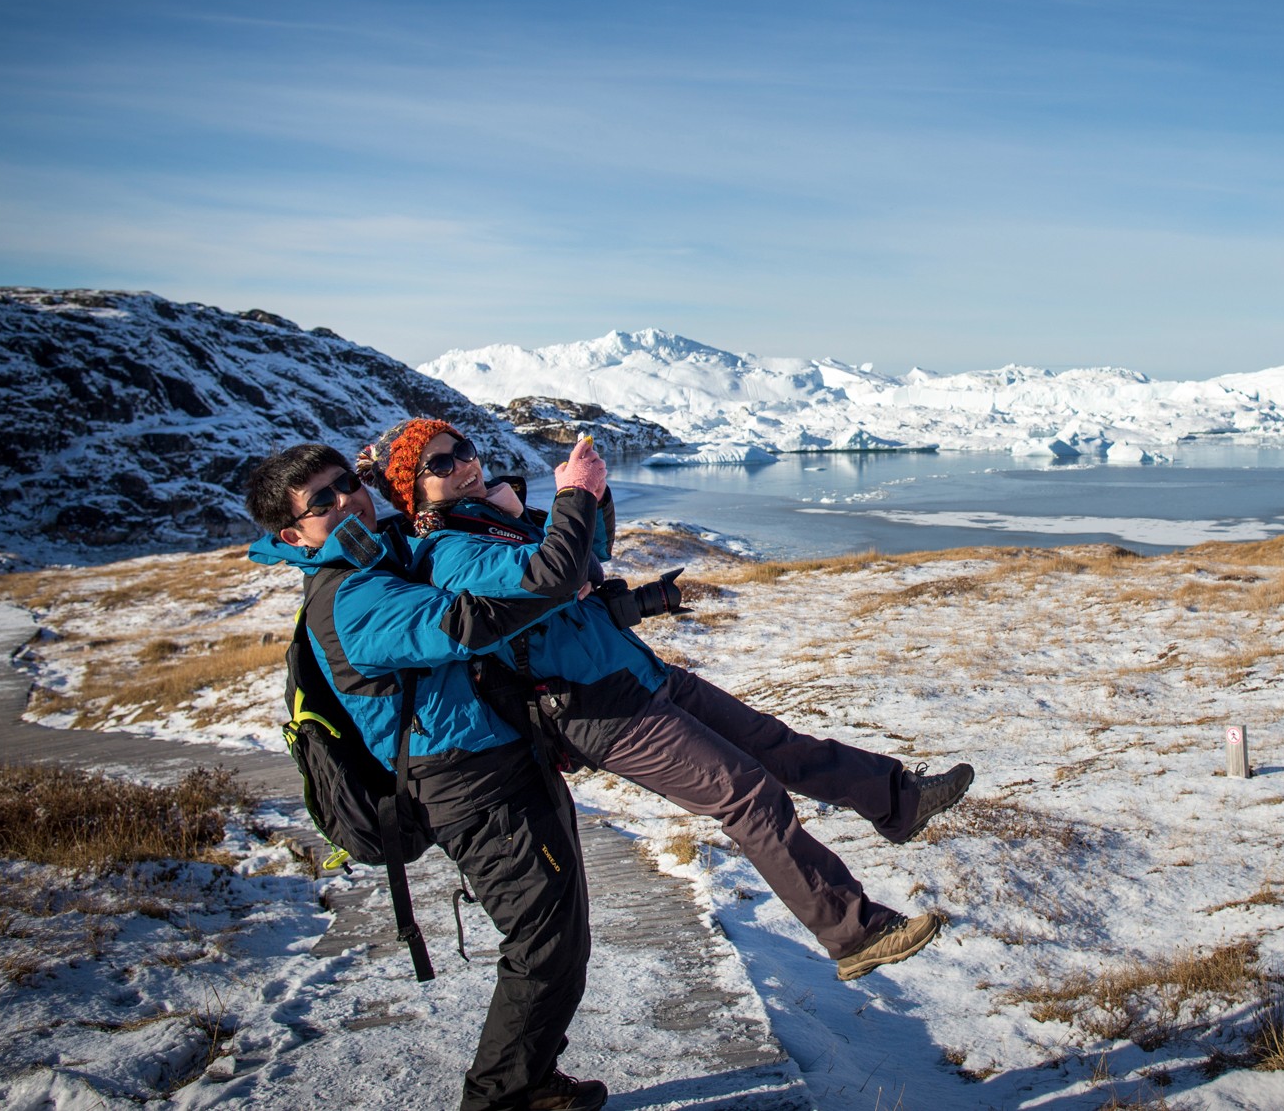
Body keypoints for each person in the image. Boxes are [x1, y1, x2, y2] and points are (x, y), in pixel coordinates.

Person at [359, 418, 975, 981]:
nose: (463, 465)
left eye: (462, 451)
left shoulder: (490, 523)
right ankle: (854, 932)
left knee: (776, 745)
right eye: (439, 465)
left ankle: (899, 800)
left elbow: (590, 556)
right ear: (412, 492)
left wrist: (593, 496)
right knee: (747, 792)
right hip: (597, 710)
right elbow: (558, 573)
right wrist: (570, 496)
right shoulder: (451, 553)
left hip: (638, 676)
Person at [245, 444, 605, 1111]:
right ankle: (501, 1095)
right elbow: (468, 624)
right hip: (472, 786)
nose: (345, 500)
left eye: (346, 483)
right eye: (320, 501)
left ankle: (527, 1078)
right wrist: (558, 579)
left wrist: (401, 479)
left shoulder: (369, 552)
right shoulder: (349, 596)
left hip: (494, 761)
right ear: (291, 535)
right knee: (546, 943)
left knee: (560, 930)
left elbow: (431, 519)